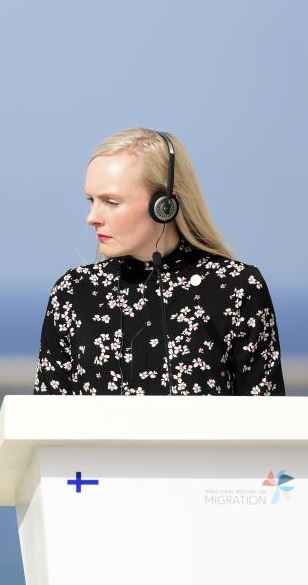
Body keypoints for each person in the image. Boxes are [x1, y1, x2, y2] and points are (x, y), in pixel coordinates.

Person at [34, 127, 284, 396]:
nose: (92, 217)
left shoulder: (237, 288)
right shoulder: (73, 292)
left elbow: (268, 422)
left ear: (165, 205)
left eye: (111, 201)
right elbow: (44, 422)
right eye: (91, 200)